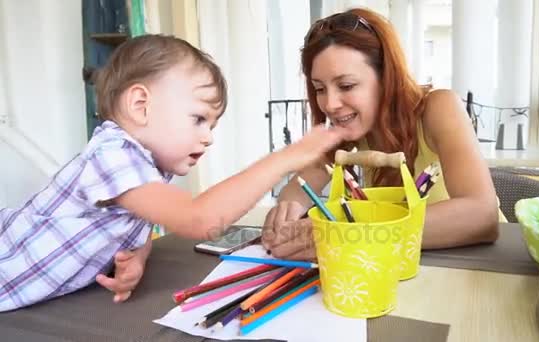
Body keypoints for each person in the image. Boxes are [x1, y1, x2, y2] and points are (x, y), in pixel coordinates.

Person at [0, 35, 345, 311]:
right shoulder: (112, 155)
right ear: (140, 106)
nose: (208, 137)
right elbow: (198, 220)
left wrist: (138, 257)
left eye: (212, 125)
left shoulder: (147, 171)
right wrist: (287, 157)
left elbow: (138, 227)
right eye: (198, 119)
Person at [262, 8, 501, 260]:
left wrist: (347, 235)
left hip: (477, 266)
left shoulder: (438, 107)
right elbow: (296, 191)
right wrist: (287, 211)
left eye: (346, 85)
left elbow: (482, 215)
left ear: (386, 77)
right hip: (403, 267)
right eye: (320, 88)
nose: (330, 104)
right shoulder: (349, 130)